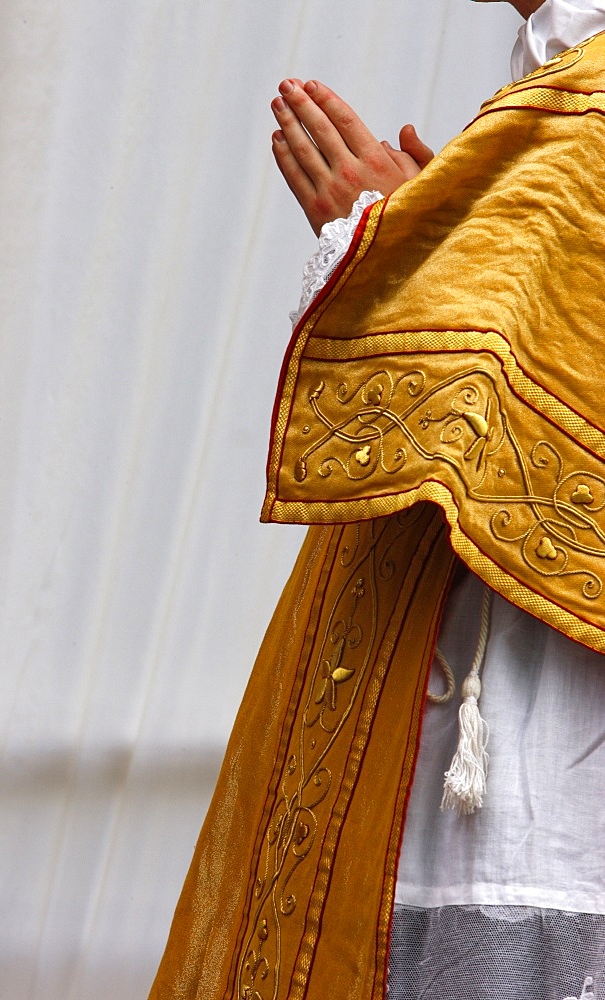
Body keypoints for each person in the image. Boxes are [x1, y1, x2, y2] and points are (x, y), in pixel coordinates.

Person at [150, 2, 605, 996]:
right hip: (443, 741)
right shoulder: (555, 71)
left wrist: (388, 245)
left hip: (531, 785)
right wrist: (451, 248)